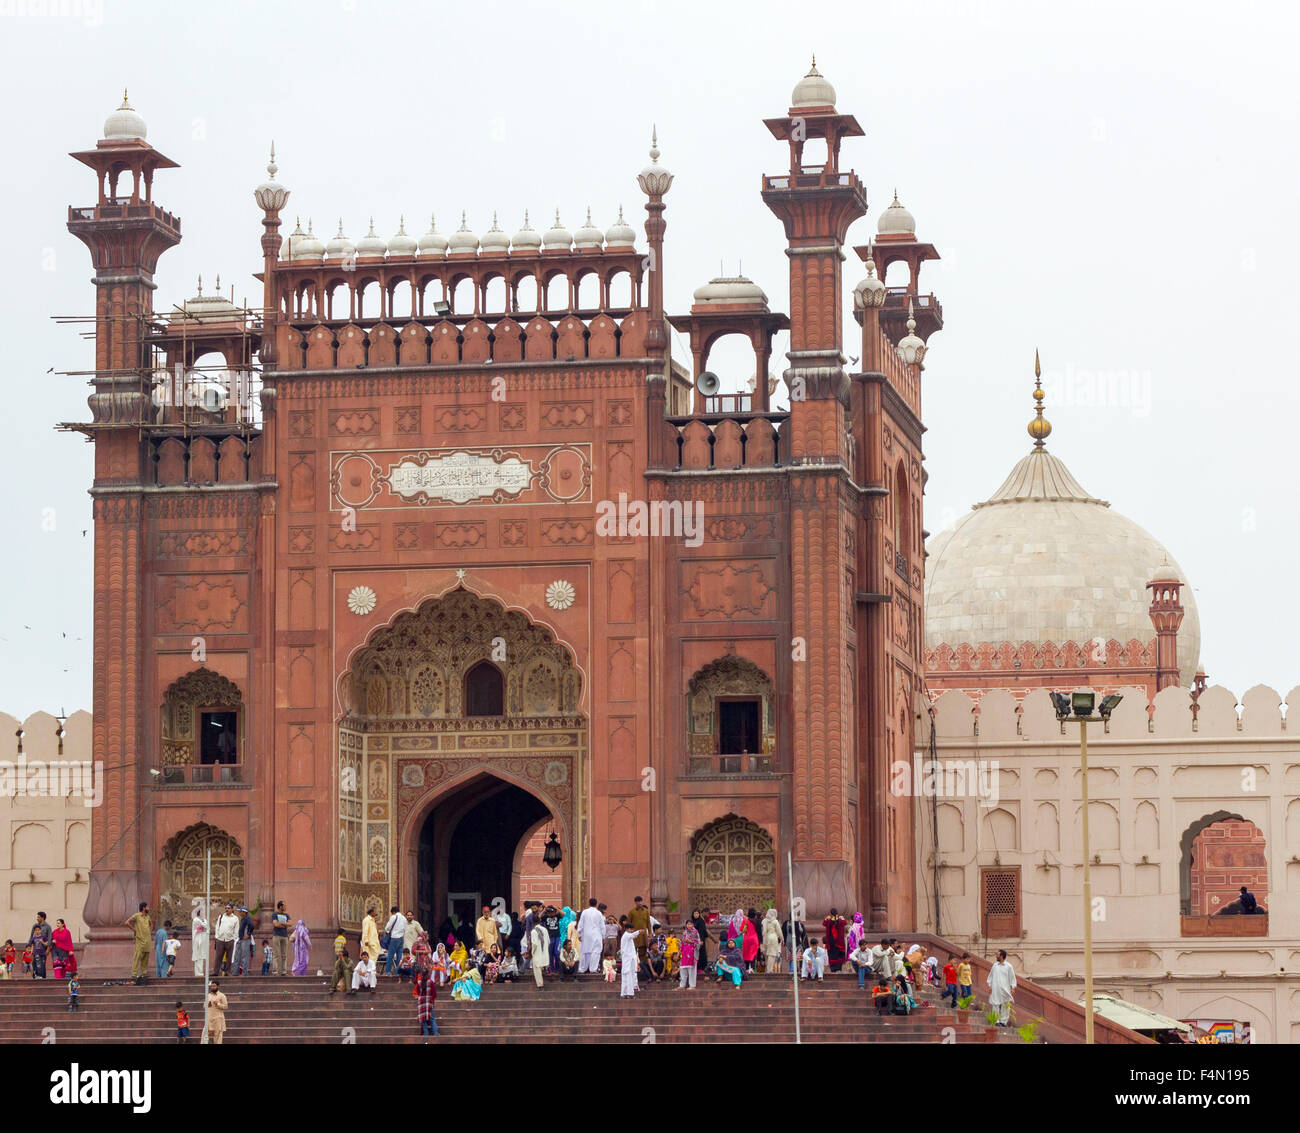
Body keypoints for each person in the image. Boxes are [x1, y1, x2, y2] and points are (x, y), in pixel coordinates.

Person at [987, 949, 1017, 1026]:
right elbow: (990, 976)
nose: (996, 956)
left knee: (1005, 1005)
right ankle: (996, 1021)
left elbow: (1012, 977)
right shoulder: (995, 965)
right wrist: (989, 985)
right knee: (995, 1004)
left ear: (1001, 956)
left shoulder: (1009, 966)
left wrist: (1013, 987)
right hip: (995, 989)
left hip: (1005, 989)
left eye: (997, 955)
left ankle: (1003, 1022)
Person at [125, 902, 152, 982]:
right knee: (137, 956)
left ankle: (144, 973)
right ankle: (134, 973)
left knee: (146, 957)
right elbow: (127, 922)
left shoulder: (147, 917)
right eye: (147, 907)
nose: (148, 908)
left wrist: (149, 931)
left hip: (147, 940)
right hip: (139, 940)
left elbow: (151, 924)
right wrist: (134, 929)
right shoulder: (137, 915)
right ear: (143, 908)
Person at [577, 898, 604, 974]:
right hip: (596, 935)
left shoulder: (584, 912)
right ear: (596, 904)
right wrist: (603, 936)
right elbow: (602, 926)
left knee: (585, 951)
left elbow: (580, 924)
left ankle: (582, 968)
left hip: (586, 935)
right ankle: (593, 969)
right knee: (595, 952)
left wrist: (579, 934)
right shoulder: (598, 913)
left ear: (589, 903)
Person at [213, 903, 238, 976]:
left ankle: (227, 971)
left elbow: (236, 929)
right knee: (218, 957)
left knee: (229, 957)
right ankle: (216, 972)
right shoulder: (221, 917)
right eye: (226, 908)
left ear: (232, 909)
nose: (227, 909)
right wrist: (217, 936)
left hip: (230, 940)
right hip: (220, 939)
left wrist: (234, 938)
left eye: (228, 908)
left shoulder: (235, 918)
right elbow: (217, 927)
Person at [383, 906, 407, 977]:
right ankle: (397, 973)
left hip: (394, 937)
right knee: (399, 956)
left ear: (393, 912)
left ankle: (388, 971)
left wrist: (388, 931)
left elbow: (387, 927)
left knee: (390, 955)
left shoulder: (394, 917)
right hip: (401, 938)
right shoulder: (404, 918)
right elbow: (405, 928)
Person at [627, 897, 652, 965]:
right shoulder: (631, 912)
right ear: (635, 902)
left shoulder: (646, 911)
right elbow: (628, 923)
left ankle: (642, 966)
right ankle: (633, 966)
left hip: (643, 934)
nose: (640, 903)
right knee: (633, 950)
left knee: (643, 950)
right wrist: (629, 933)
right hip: (634, 934)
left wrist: (650, 933)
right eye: (638, 901)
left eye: (641, 901)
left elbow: (648, 923)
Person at [618, 923, 641, 998]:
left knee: (629, 976)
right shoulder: (626, 935)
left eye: (632, 929)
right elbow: (632, 935)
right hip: (627, 960)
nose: (632, 930)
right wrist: (639, 932)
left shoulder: (628, 936)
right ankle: (629, 994)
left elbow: (633, 936)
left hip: (629, 959)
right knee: (628, 976)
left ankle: (625, 993)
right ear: (627, 929)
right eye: (631, 929)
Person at [822, 908, 847, 973]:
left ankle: (833, 969)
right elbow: (845, 923)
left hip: (831, 942)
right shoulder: (840, 921)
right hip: (839, 942)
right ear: (837, 913)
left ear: (831, 914)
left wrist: (826, 918)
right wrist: (842, 918)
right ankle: (839, 968)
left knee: (831, 955)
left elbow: (824, 923)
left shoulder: (828, 921)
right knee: (839, 955)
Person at [677, 921, 699, 990]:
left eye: (691, 924)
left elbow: (698, 943)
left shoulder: (695, 932)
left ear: (693, 925)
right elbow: (682, 944)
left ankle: (692, 985)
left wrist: (691, 942)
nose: (689, 925)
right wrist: (679, 953)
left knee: (691, 969)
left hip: (692, 953)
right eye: (688, 924)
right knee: (683, 969)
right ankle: (682, 985)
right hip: (684, 953)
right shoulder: (684, 933)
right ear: (686, 925)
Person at [416, 969, 438, 1037]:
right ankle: (435, 1033)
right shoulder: (431, 982)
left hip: (421, 1002)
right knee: (432, 1019)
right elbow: (434, 994)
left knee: (423, 1019)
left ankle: (425, 1034)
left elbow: (417, 992)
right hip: (429, 1002)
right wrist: (434, 1002)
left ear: (421, 975)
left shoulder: (419, 982)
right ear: (428, 974)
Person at [234, 907, 256, 976]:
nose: (239, 913)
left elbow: (252, 926)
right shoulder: (243, 919)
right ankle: (236, 972)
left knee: (244, 956)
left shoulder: (247, 918)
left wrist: (248, 934)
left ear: (244, 912)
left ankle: (244, 973)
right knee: (237, 956)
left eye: (240, 911)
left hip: (245, 940)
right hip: (241, 939)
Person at [529, 917, 549, 990]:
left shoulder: (533, 931)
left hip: (537, 953)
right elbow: (548, 941)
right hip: (544, 952)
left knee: (537, 969)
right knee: (541, 966)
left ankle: (540, 985)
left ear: (533, 923)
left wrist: (532, 952)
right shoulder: (545, 930)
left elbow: (534, 944)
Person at [272, 901, 291, 975]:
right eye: (284, 906)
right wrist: (285, 925)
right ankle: (275, 971)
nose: (286, 907)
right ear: (280, 906)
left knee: (284, 955)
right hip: (276, 935)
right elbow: (276, 924)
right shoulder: (275, 914)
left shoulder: (286, 915)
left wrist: (282, 923)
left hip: (285, 936)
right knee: (276, 954)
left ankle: (284, 971)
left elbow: (290, 923)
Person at [761, 909, 783, 974]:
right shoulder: (775, 921)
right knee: (772, 954)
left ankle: (767, 968)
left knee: (767, 954)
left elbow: (762, 930)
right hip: (773, 937)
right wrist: (782, 938)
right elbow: (779, 931)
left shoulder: (764, 921)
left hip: (765, 937)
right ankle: (769, 970)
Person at [191, 902, 209, 977]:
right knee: (198, 956)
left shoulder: (204, 920)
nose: (204, 912)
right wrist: (204, 927)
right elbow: (204, 926)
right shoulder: (196, 920)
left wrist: (205, 928)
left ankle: (201, 971)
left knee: (202, 955)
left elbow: (207, 928)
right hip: (197, 939)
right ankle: (198, 972)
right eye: (202, 911)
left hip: (203, 939)